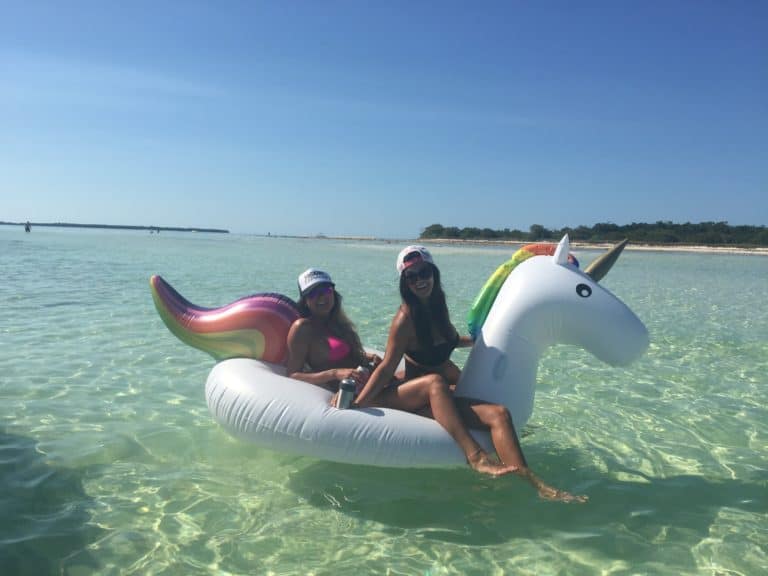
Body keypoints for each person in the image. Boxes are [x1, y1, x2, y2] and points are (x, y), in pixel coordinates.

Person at [353, 246, 587, 501]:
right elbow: (388, 366)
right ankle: (477, 458)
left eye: (424, 273)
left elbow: (451, 341)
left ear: (434, 273)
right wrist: (357, 404)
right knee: (436, 382)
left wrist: (490, 338)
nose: (420, 280)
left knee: (500, 414)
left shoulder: (437, 306)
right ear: (404, 282)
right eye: (412, 277)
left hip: (440, 396)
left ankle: (528, 480)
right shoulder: (404, 320)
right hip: (417, 395)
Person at [285, 268, 381, 392]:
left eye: (326, 290)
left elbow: (346, 356)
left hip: (369, 382)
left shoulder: (338, 323)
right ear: (305, 300)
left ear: (333, 293)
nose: (322, 296)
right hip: (352, 392)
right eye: (313, 293)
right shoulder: (303, 328)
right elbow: (293, 375)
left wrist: (370, 357)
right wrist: (334, 374)